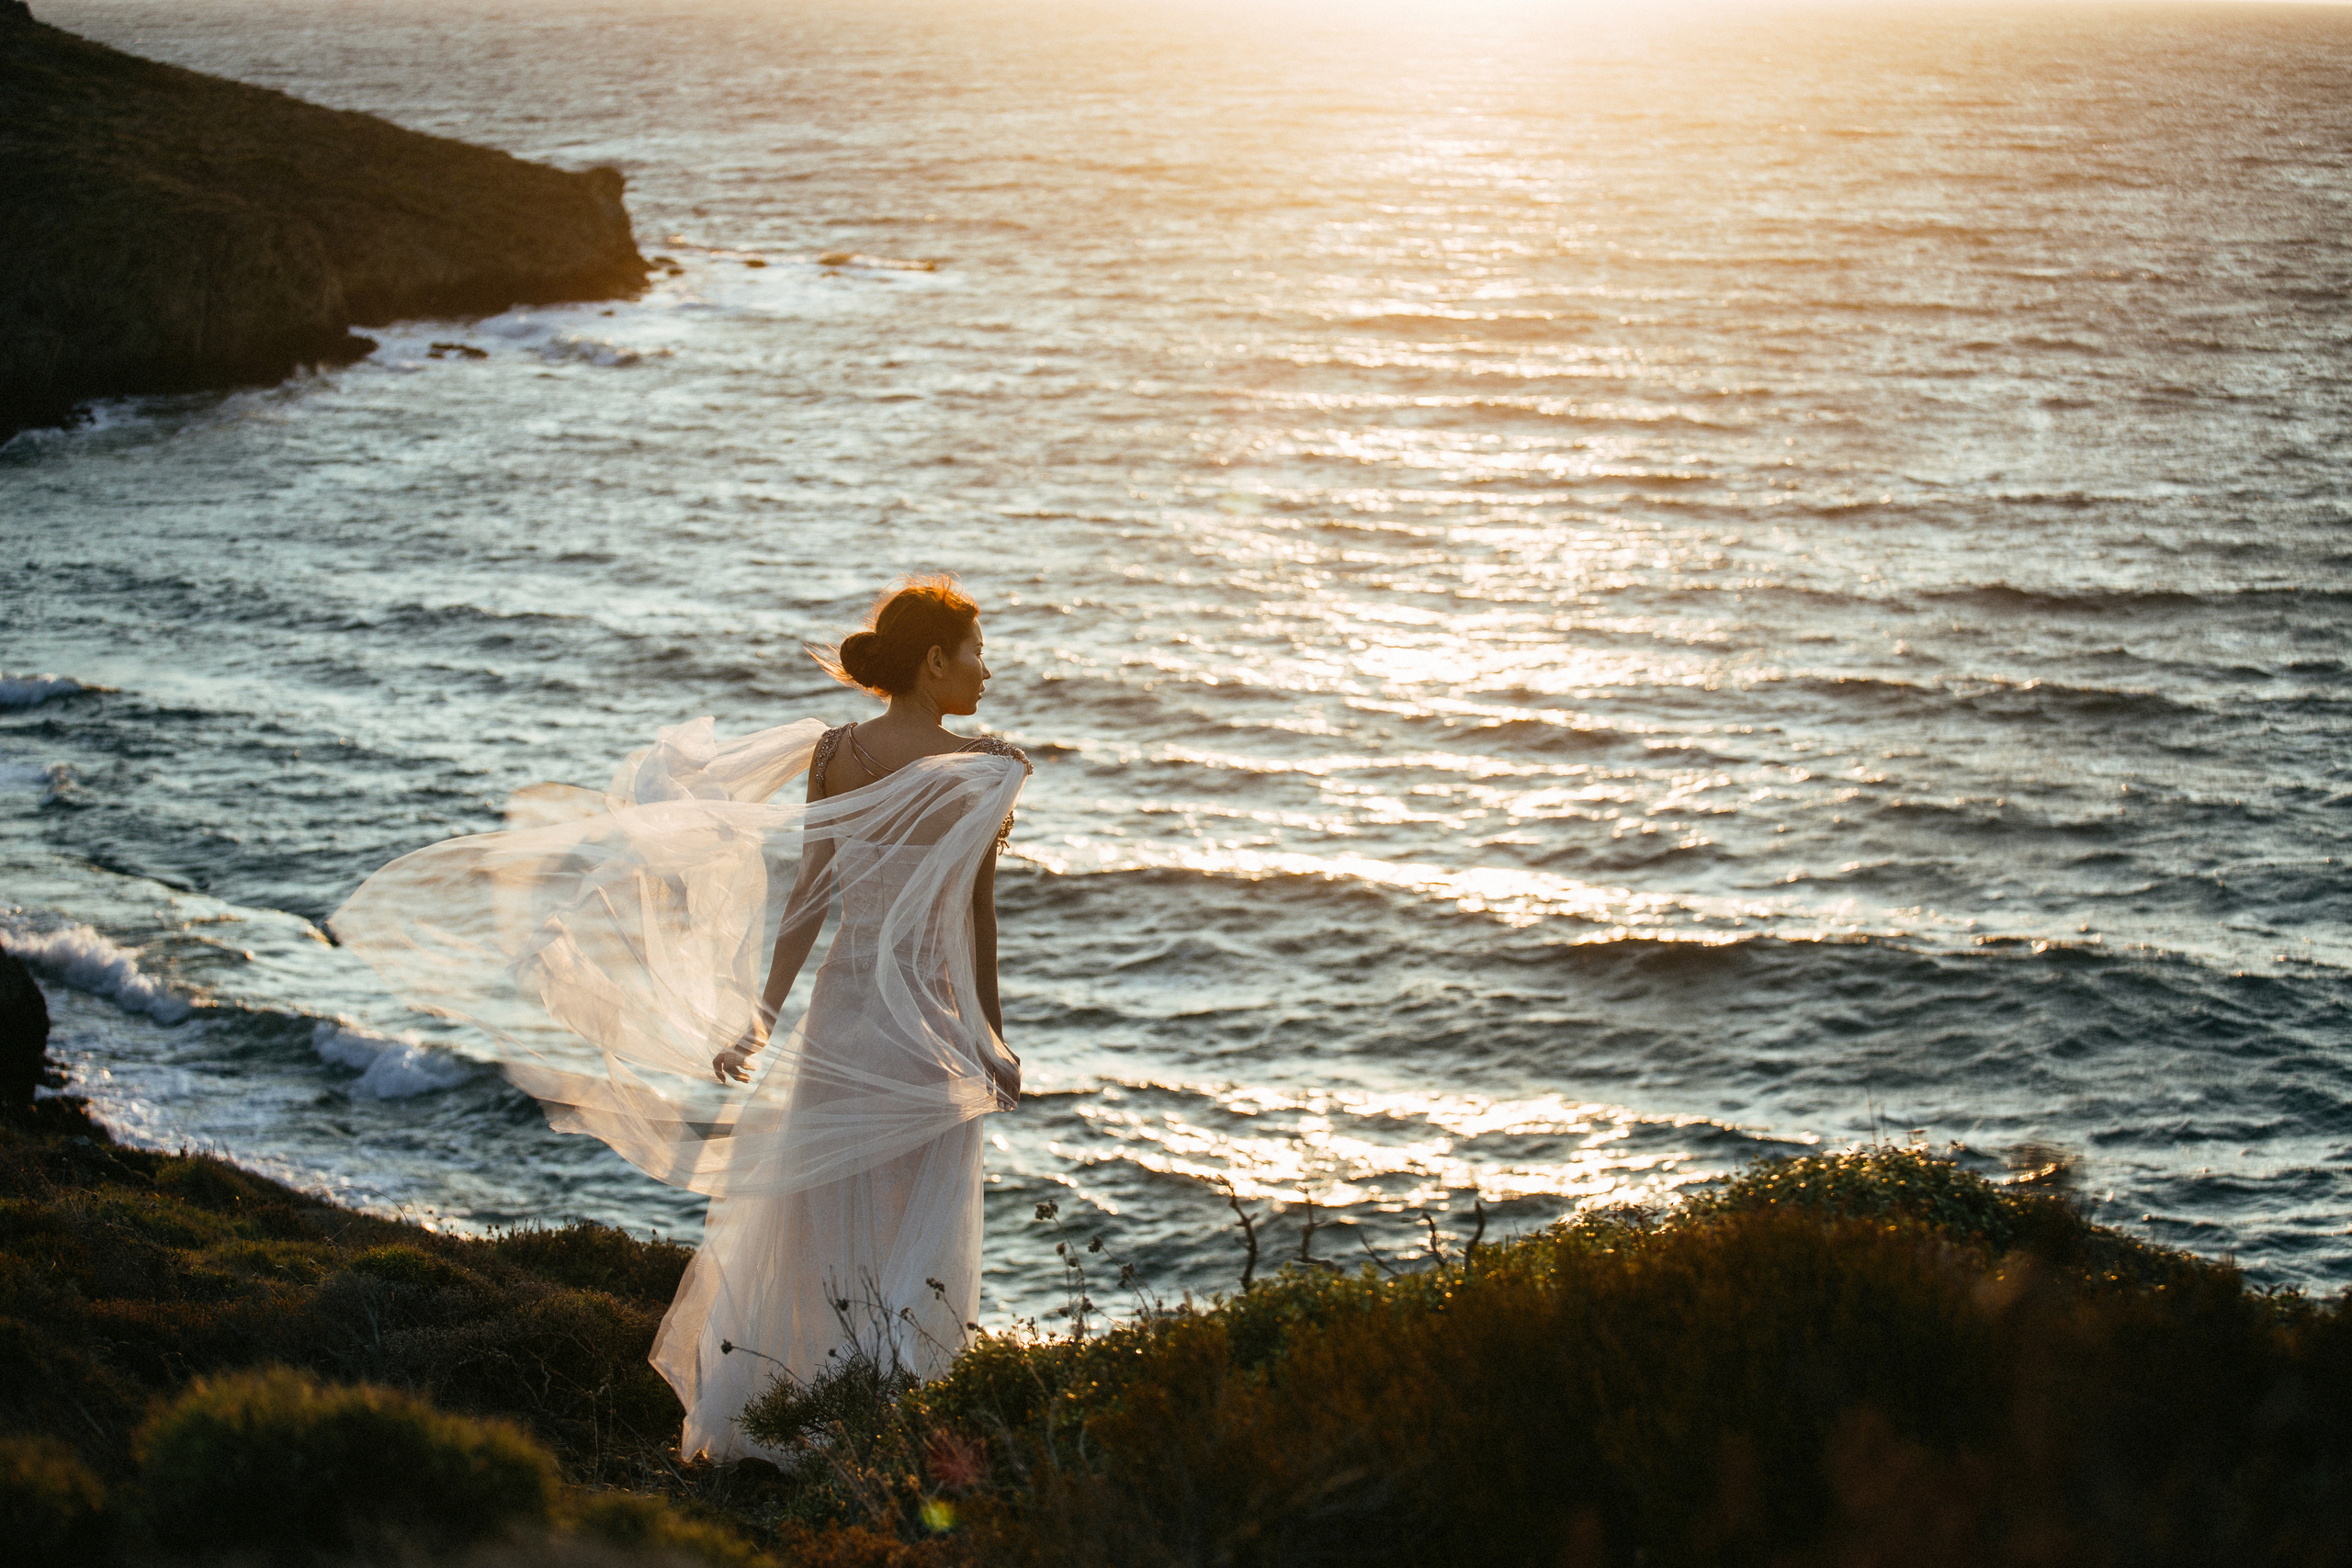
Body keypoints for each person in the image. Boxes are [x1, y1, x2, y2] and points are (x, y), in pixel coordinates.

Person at [331, 574, 1028, 1461]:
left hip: (841, 1020)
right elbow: (976, 917)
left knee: (819, 1219)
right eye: (976, 652)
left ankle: (799, 1417)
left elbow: (810, 897)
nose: (987, 670)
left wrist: (764, 1017)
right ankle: (889, 1422)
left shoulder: (835, 754)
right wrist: (989, 1037)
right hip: (928, 1025)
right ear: (935, 660)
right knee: (915, 1223)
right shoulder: (985, 770)